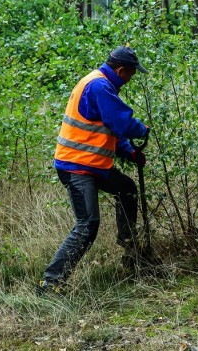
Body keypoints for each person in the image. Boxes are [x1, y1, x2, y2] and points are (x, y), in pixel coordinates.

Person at [38, 46, 150, 295]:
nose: (130, 78)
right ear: (121, 70)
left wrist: (130, 152)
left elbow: (108, 128)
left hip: (93, 165)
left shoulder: (101, 85)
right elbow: (121, 122)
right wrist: (141, 129)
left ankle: (129, 245)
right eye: (131, 74)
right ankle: (51, 283)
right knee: (87, 224)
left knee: (127, 189)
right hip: (77, 167)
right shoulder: (99, 86)